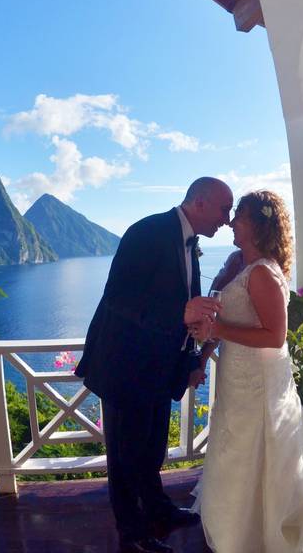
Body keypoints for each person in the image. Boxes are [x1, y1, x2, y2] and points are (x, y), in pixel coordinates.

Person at [75, 177, 233, 553]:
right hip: (126, 368)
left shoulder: (190, 244)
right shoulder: (147, 231)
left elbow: (189, 313)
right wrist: (181, 311)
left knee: (151, 452)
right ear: (199, 201)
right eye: (224, 209)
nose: (226, 220)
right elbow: (118, 296)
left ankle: (159, 511)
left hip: (161, 370)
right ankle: (132, 535)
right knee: (125, 457)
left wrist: (193, 358)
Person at [191, 190, 303, 553]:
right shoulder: (239, 264)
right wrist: (205, 351)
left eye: (237, 216)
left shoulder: (263, 274)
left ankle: (259, 531)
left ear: (256, 224)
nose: (230, 223)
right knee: (235, 448)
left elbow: (275, 336)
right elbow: (226, 318)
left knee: (259, 450)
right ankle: (235, 523)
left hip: (259, 380)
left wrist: (216, 332)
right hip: (237, 376)